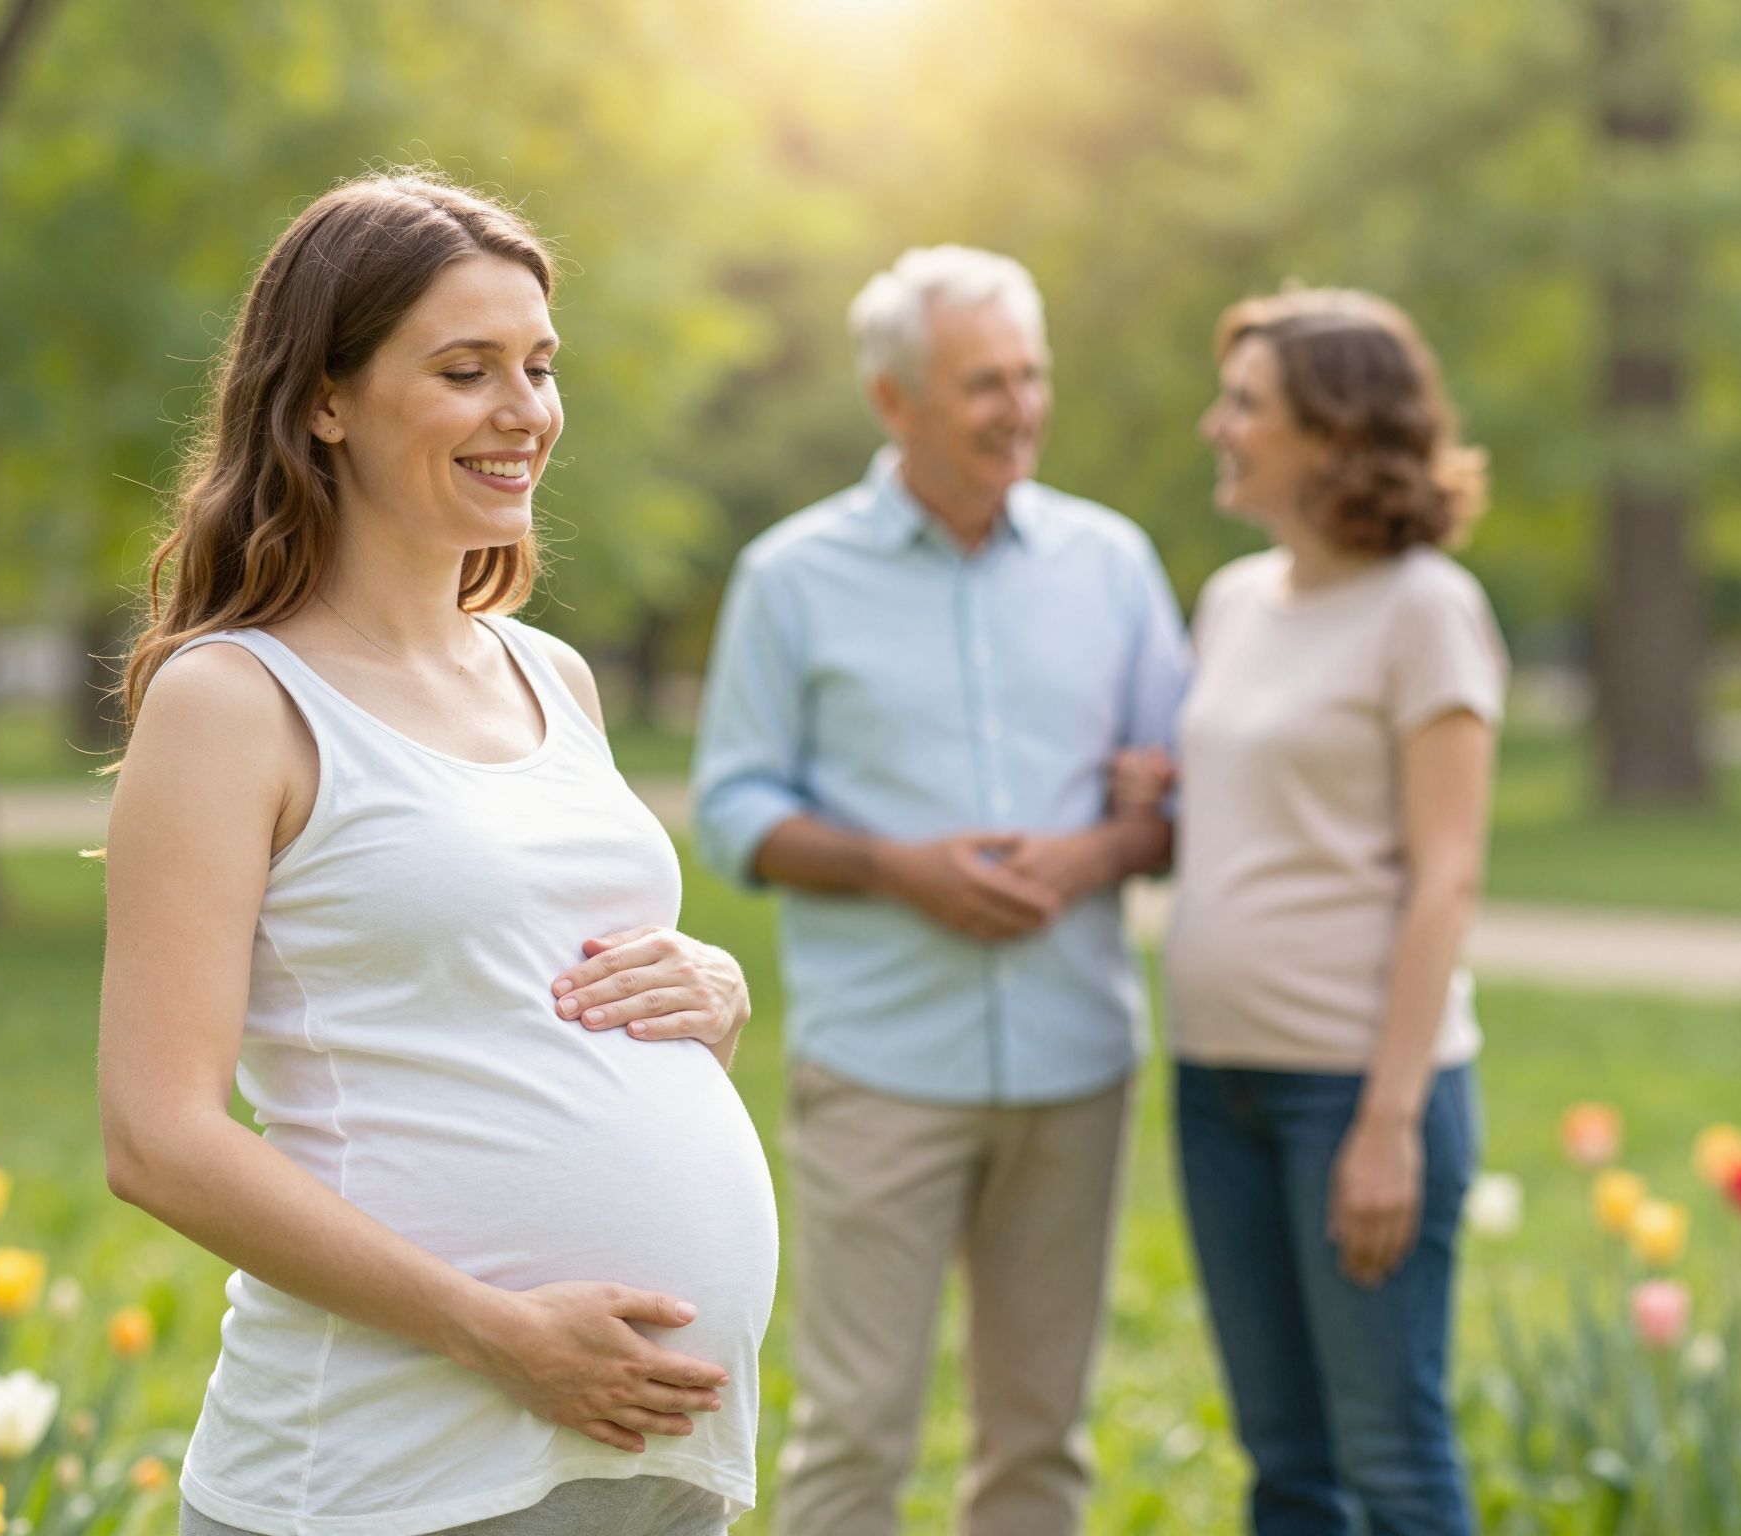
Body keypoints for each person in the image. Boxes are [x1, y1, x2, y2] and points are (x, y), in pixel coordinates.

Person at [96, 170, 777, 1536]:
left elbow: (513, 978)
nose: (525, 411)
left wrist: (714, 996)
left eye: (539, 365)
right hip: (391, 1469)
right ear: (328, 401)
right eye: (467, 370)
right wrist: (492, 1331)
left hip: (647, 1458)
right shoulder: (236, 702)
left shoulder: (555, 677)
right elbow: (154, 1139)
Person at [692, 245, 1191, 1536]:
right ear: (893, 400)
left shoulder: (1113, 565)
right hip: (882, 1067)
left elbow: (1181, 798)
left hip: (1075, 1064)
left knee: (1042, 1442)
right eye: (982, 383)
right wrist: (892, 868)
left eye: (1030, 377)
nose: (1017, 407)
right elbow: (735, 805)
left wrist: (1092, 853)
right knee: (856, 1434)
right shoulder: (792, 577)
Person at [1114, 287, 1506, 1535]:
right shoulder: (1234, 599)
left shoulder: (1424, 608)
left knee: (1389, 1462)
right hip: (1217, 1082)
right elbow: (1258, 821)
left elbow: (1444, 875)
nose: (1213, 425)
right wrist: (1162, 797)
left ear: (1334, 432)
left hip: (1352, 1093)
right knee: (1285, 1468)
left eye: (1245, 405)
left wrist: (1388, 1124)